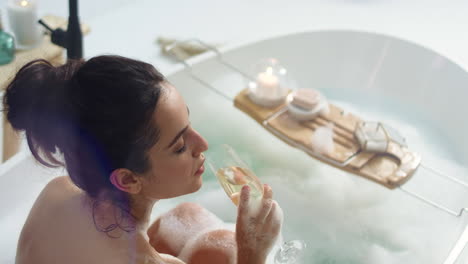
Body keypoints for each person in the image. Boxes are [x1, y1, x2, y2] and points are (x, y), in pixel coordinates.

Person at [3, 55, 282, 264]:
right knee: (225, 248)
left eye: (188, 124)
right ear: (128, 179)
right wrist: (251, 253)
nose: (202, 144)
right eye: (180, 146)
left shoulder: (58, 192)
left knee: (189, 215)